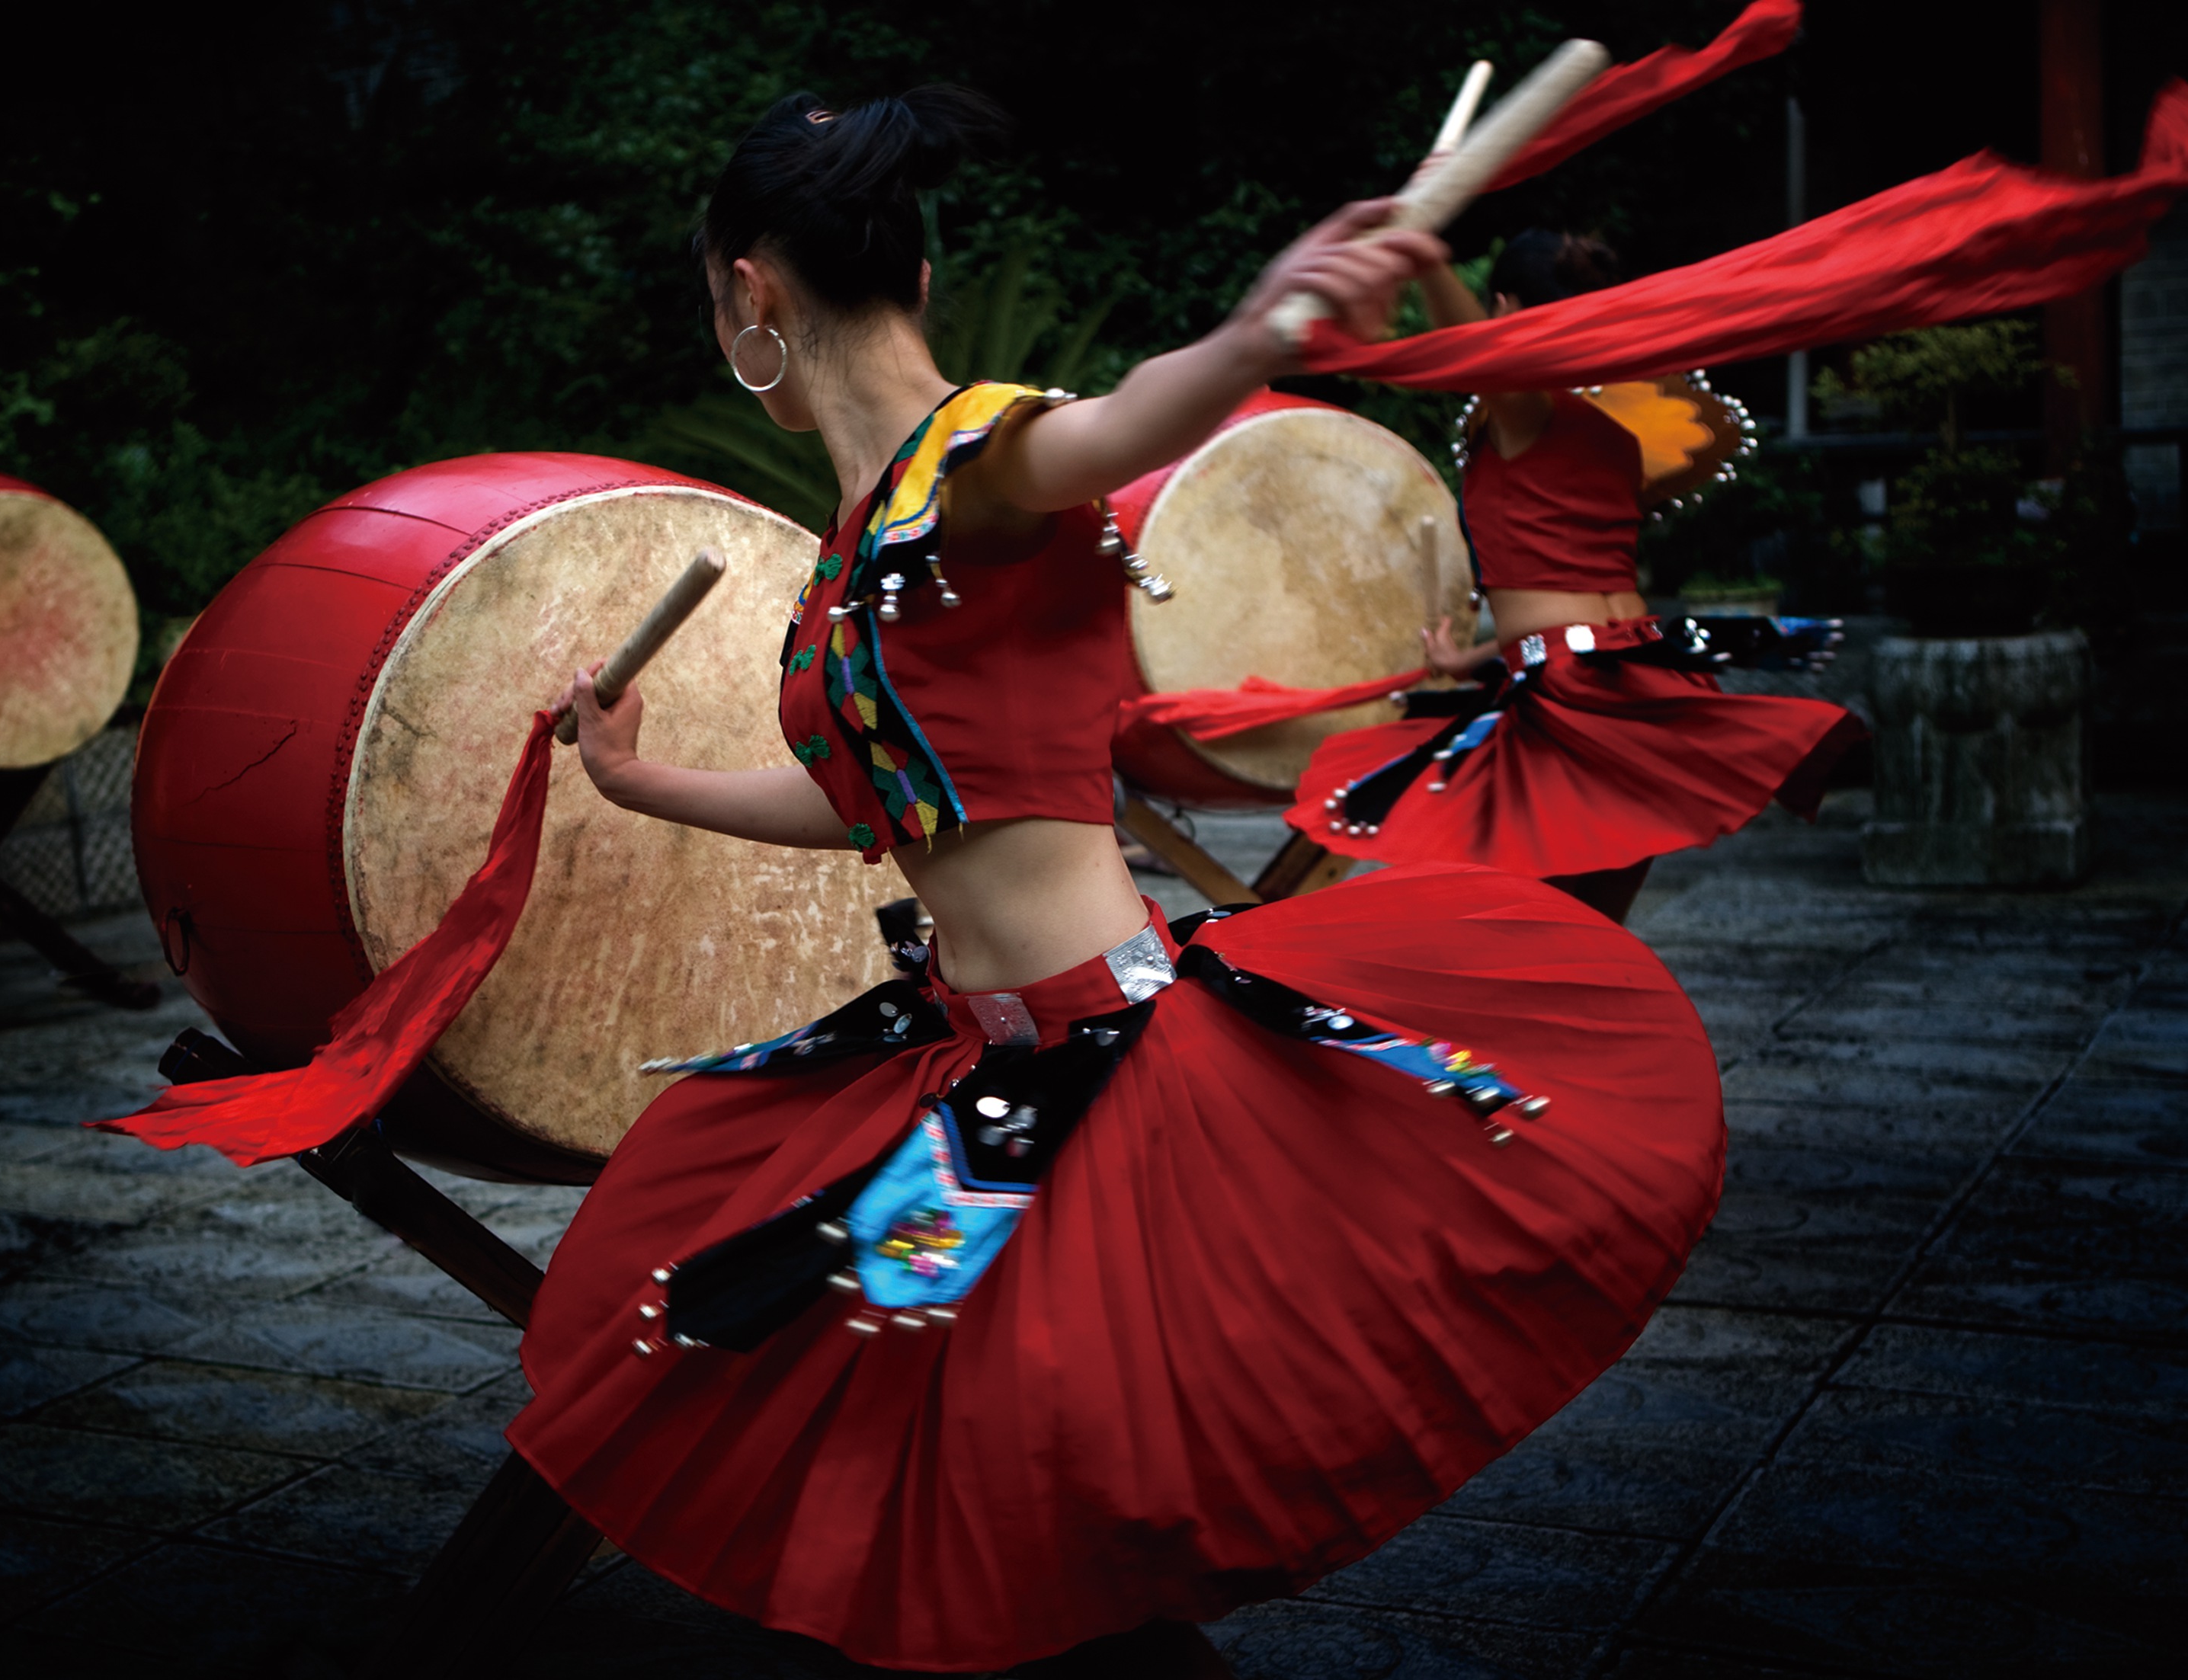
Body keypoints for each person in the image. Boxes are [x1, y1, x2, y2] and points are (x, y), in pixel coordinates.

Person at [506, 94, 1725, 1676]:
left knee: (1015, 1506)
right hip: (978, 1065)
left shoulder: (983, 458)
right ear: (917, 272)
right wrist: (638, 777)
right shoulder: (863, 542)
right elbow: (878, 801)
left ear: (749, 291)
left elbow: (1125, 422)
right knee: (923, 1463)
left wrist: (1259, 329)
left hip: (1112, 1073)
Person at [1287, 229, 1865, 925]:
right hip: (1637, 667)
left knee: (1533, 919)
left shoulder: (1527, 411)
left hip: (1578, 694)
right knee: (1586, 918)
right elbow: (1572, 585)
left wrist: (1432, 262)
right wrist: (1470, 657)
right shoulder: (1611, 433)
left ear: (1504, 307)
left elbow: (1476, 353)